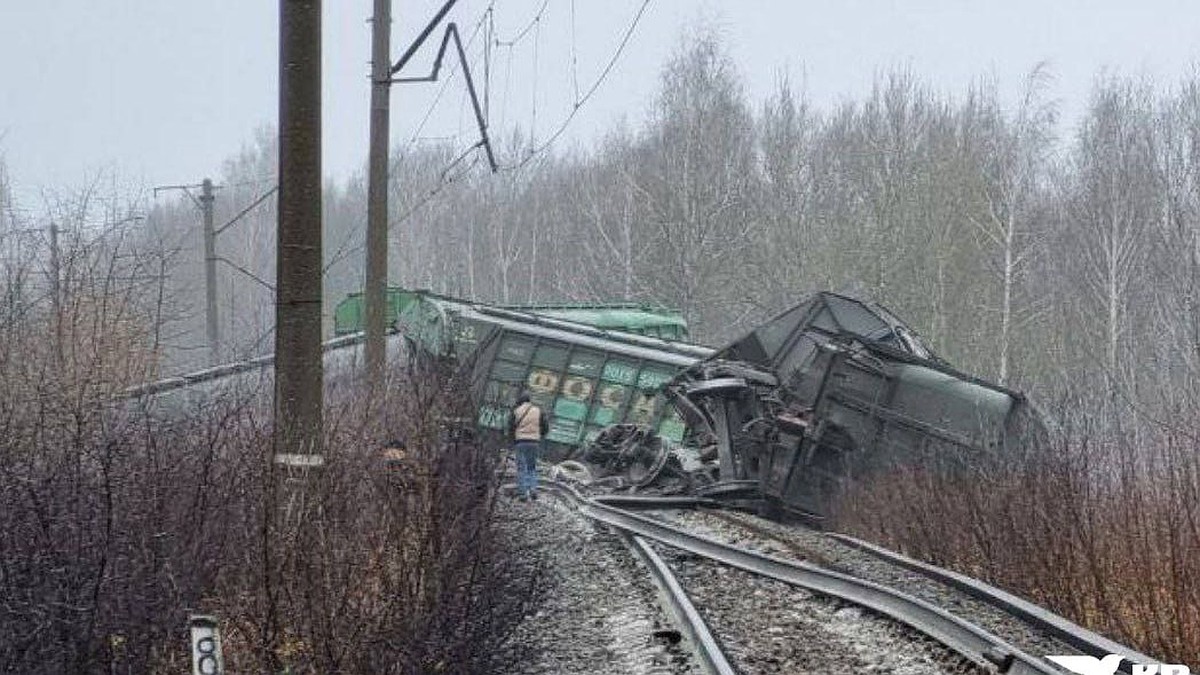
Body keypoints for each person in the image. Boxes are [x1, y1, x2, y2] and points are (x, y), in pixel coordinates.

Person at [509, 392, 549, 501]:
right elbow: (545, 427)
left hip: (521, 442)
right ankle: (533, 490)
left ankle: (522, 493)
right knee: (532, 467)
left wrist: (513, 440)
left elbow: (510, 427)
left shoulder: (516, 411)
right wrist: (538, 435)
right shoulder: (538, 411)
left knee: (522, 468)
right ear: (529, 400)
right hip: (534, 442)